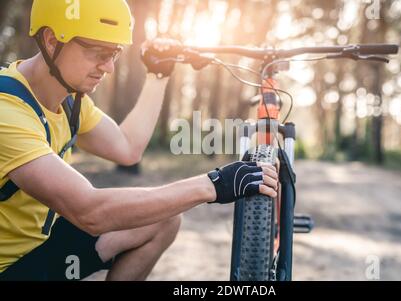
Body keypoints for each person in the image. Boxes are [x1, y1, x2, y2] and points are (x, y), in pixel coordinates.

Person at [0, 0, 278, 281]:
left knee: (162, 219)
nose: (108, 67)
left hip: (40, 249)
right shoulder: (7, 112)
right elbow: (89, 211)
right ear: (51, 40)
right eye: (97, 52)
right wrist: (214, 184)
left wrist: (158, 74)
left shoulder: (70, 101)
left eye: (114, 53)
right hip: (8, 269)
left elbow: (128, 147)